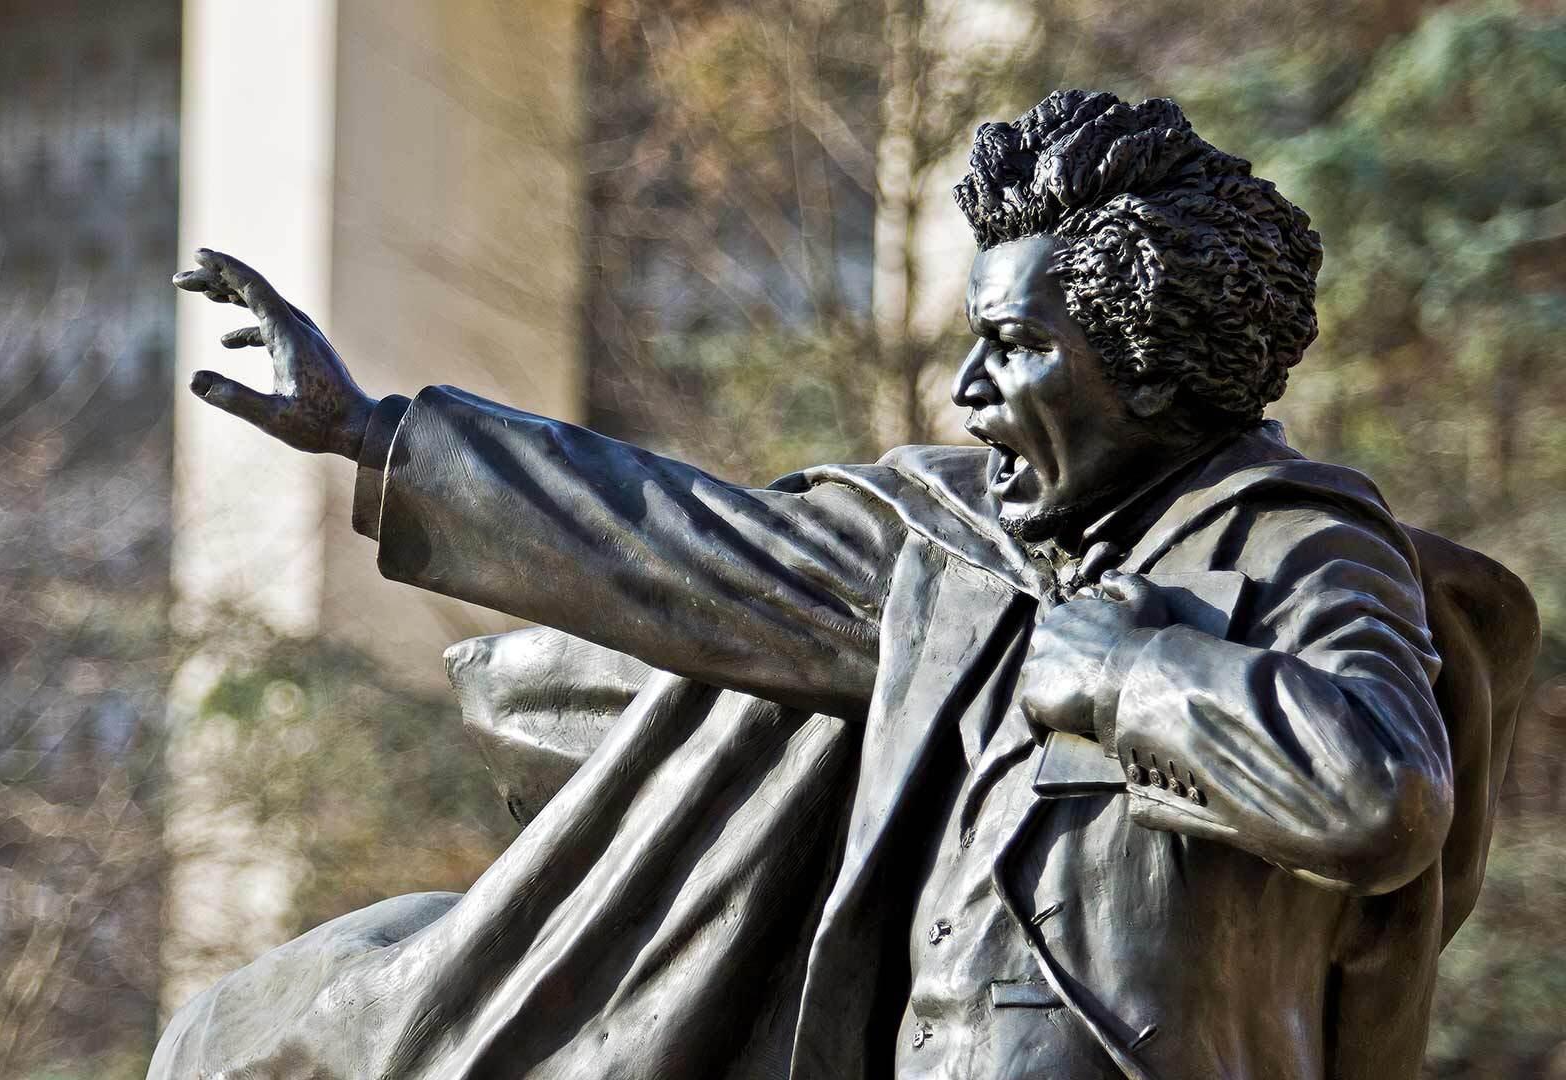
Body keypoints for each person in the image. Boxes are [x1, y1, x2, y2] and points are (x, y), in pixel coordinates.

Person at [149, 90, 1536, 1080]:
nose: (971, 390)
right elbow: (677, 542)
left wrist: (1123, 677)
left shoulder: (1295, 547)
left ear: (1153, 368)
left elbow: (1381, 795)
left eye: (1018, 347)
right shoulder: (945, 550)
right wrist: (377, 433)